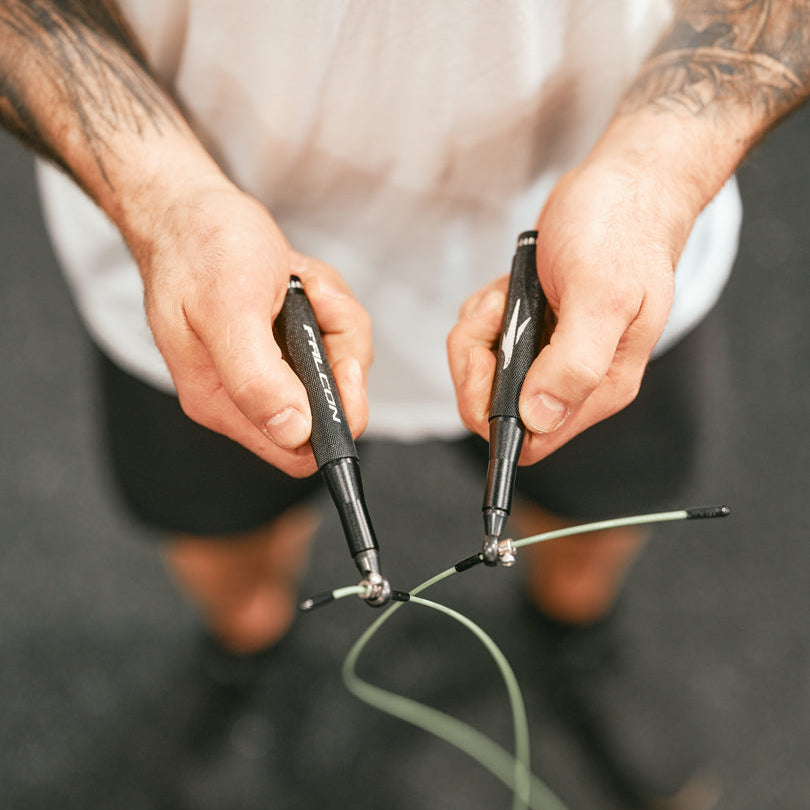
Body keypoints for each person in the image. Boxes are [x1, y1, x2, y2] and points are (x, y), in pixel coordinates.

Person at [2, 1, 808, 806]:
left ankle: (575, 633)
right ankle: (242, 651)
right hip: (189, 275)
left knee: (599, 511)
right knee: (221, 537)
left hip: (611, 265)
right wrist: (165, 201)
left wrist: (658, 175)